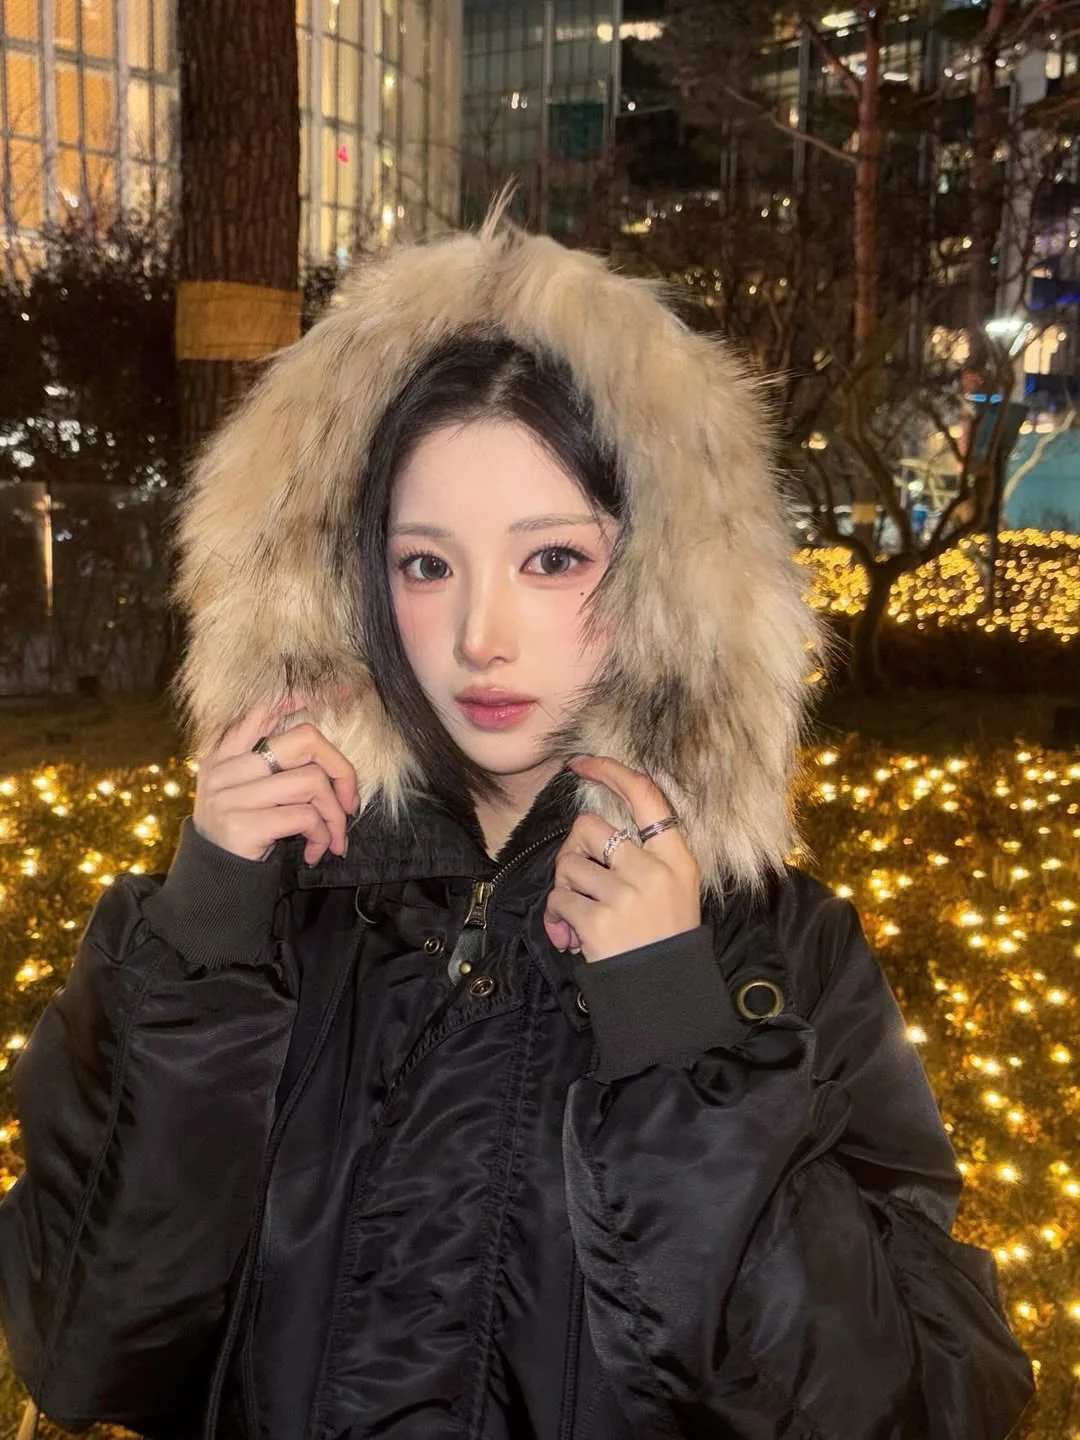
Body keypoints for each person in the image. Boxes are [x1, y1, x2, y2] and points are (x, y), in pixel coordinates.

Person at [0, 204, 1034, 1440]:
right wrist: (212, 934)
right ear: (348, 584)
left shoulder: (777, 956)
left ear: (669, 579)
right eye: (425, 565)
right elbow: (86, 1354)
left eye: (552, 560)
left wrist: (678, 1040)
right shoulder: (248, 922)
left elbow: (919, 1404)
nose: (479, 637)